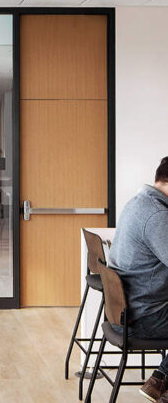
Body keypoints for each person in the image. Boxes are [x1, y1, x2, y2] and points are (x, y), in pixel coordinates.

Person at [107, 156, 168, 402]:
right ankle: (161, 379)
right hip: (143, 318)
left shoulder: (139, 203)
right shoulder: (157, 215)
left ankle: (160, 383)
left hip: (127, 312)